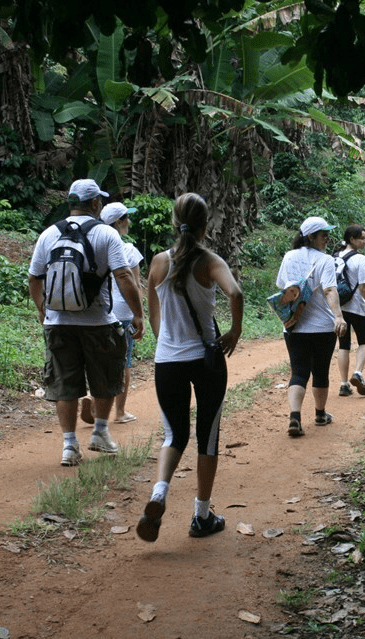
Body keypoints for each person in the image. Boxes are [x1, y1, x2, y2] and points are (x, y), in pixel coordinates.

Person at [137, 193, 244, 542]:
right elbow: (236, 294)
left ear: (174, 222)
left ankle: (159, 493)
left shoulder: (157, 262)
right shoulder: (210, 261)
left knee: (174, 434)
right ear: (204, 225)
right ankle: (201, 515)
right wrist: (235, 330)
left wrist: (163, 339)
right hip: (206, 359)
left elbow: (153, 307)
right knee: (207, 436)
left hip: (168, 360)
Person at [28, 179, 145, 467]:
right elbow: (123, 276)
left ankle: (70, 446)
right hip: (98, 322)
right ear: (95, 203)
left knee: (65, 385)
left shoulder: (49, 234)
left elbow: (34, 277)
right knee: (106, 377)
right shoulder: (106, 234)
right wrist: (138, 313)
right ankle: (100, 433)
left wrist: (43, 309)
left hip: (58, 322)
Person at [276, 216, 347, 437]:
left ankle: (295, 417)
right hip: (323, 327)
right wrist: (338, 317)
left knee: (298, 371)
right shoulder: (325, 260)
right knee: (320, 371)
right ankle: (319, 414)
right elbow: (329, 290)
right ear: (310, 236)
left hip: (294, 325)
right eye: (323, 234)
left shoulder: (289, 257)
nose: (327, 238)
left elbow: (282, 287)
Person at [80, 203, 144, 425]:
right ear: (118, 222)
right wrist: (140, 313)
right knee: (123, 362)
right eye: (126, 218)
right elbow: (134, 284)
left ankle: (92, 397)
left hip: (100, 311)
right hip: (124, 313)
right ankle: (120, 412)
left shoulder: (96, 246)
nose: (129, 221)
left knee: (100, 359)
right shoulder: (128, 249)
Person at [335, 225, 365, 397]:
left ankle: (344, 384)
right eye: (362, 238)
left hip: (340, 308)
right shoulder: (360, 259)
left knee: (343, 345)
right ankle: (358, 373)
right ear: (352, 239)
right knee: (364, 341)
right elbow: (364, 288)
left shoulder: (334, 257)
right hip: (358, 308)